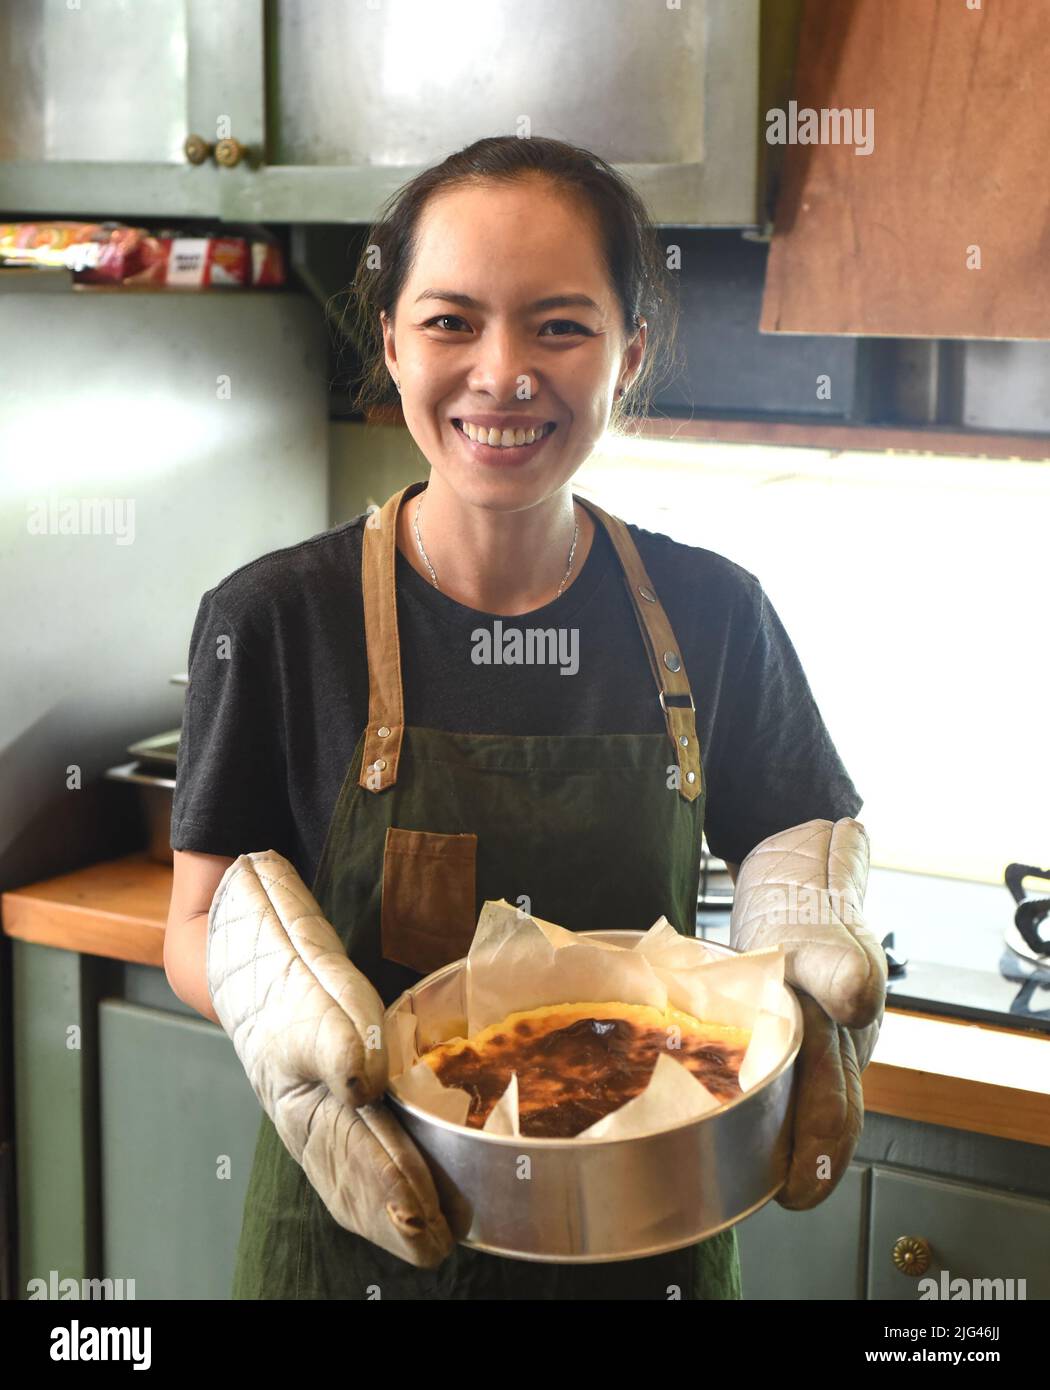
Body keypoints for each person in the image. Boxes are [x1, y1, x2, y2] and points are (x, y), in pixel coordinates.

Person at [164, 135, 883, 1300]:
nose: (504, 373)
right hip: (361, 1218)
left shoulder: (714, 612)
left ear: (628, 354)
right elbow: (194, 918)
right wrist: (282, 1016)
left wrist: (810, 940)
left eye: (560, 326)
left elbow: (792, 838)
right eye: (452, 322)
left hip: (646, 1215)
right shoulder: (275, 617)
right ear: (390, 341)